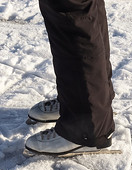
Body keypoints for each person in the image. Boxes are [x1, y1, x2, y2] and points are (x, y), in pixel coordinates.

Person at [25, 0, 115, 155]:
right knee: (83, 7)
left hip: (88, 124)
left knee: (70, 10)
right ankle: (94, 106)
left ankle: (85, 125)